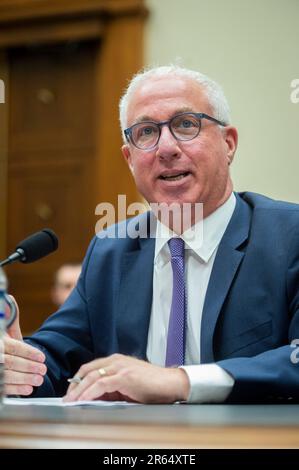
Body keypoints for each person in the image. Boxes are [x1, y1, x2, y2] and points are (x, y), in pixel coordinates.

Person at [4, 65, 299, 404]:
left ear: (228, 144)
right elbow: (57, 357)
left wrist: (180, 381)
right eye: (146, 132)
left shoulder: (288, 237)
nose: (167, 148)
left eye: (186, 124)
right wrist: (19, 362)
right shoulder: (110, 250)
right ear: (130, 159)